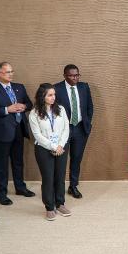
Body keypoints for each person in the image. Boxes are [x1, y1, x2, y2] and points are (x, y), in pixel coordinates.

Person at [0, 62, 34, 205]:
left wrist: (24, 106)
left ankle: (20, 188)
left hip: (19, 129)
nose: (11, 74)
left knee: (18, 161)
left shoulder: (19, 87)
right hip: (2, 132)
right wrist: (7, 109)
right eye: (8, 72)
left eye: (12, 71)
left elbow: (29, 104)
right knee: (1, 165)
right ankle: (1, 194)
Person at [30, 84, 71, 221]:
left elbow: (66, 129)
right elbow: (37, 135)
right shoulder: (34, 113)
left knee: (60, 177)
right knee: (48, 178)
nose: (53, 97)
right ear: (42, 96)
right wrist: (53, 146)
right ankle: (49, 207)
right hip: (43, 149)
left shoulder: (61, 109)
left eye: (54, 94)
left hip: (61, 147)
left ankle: (60, 204)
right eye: (50, 95)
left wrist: (60, 145)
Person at [53, 64, 94, 200]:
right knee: (60, 160)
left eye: (77, 75)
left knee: (76, 159)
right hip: (63, 129)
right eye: (71, 75)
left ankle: (73, 186)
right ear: (65, 76)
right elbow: (52, 109)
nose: (75, 78)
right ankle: (58, 187)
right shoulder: (56, 88)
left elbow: (90, 106)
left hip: (80, 128)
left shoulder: (84, 87)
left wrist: (87, 121)